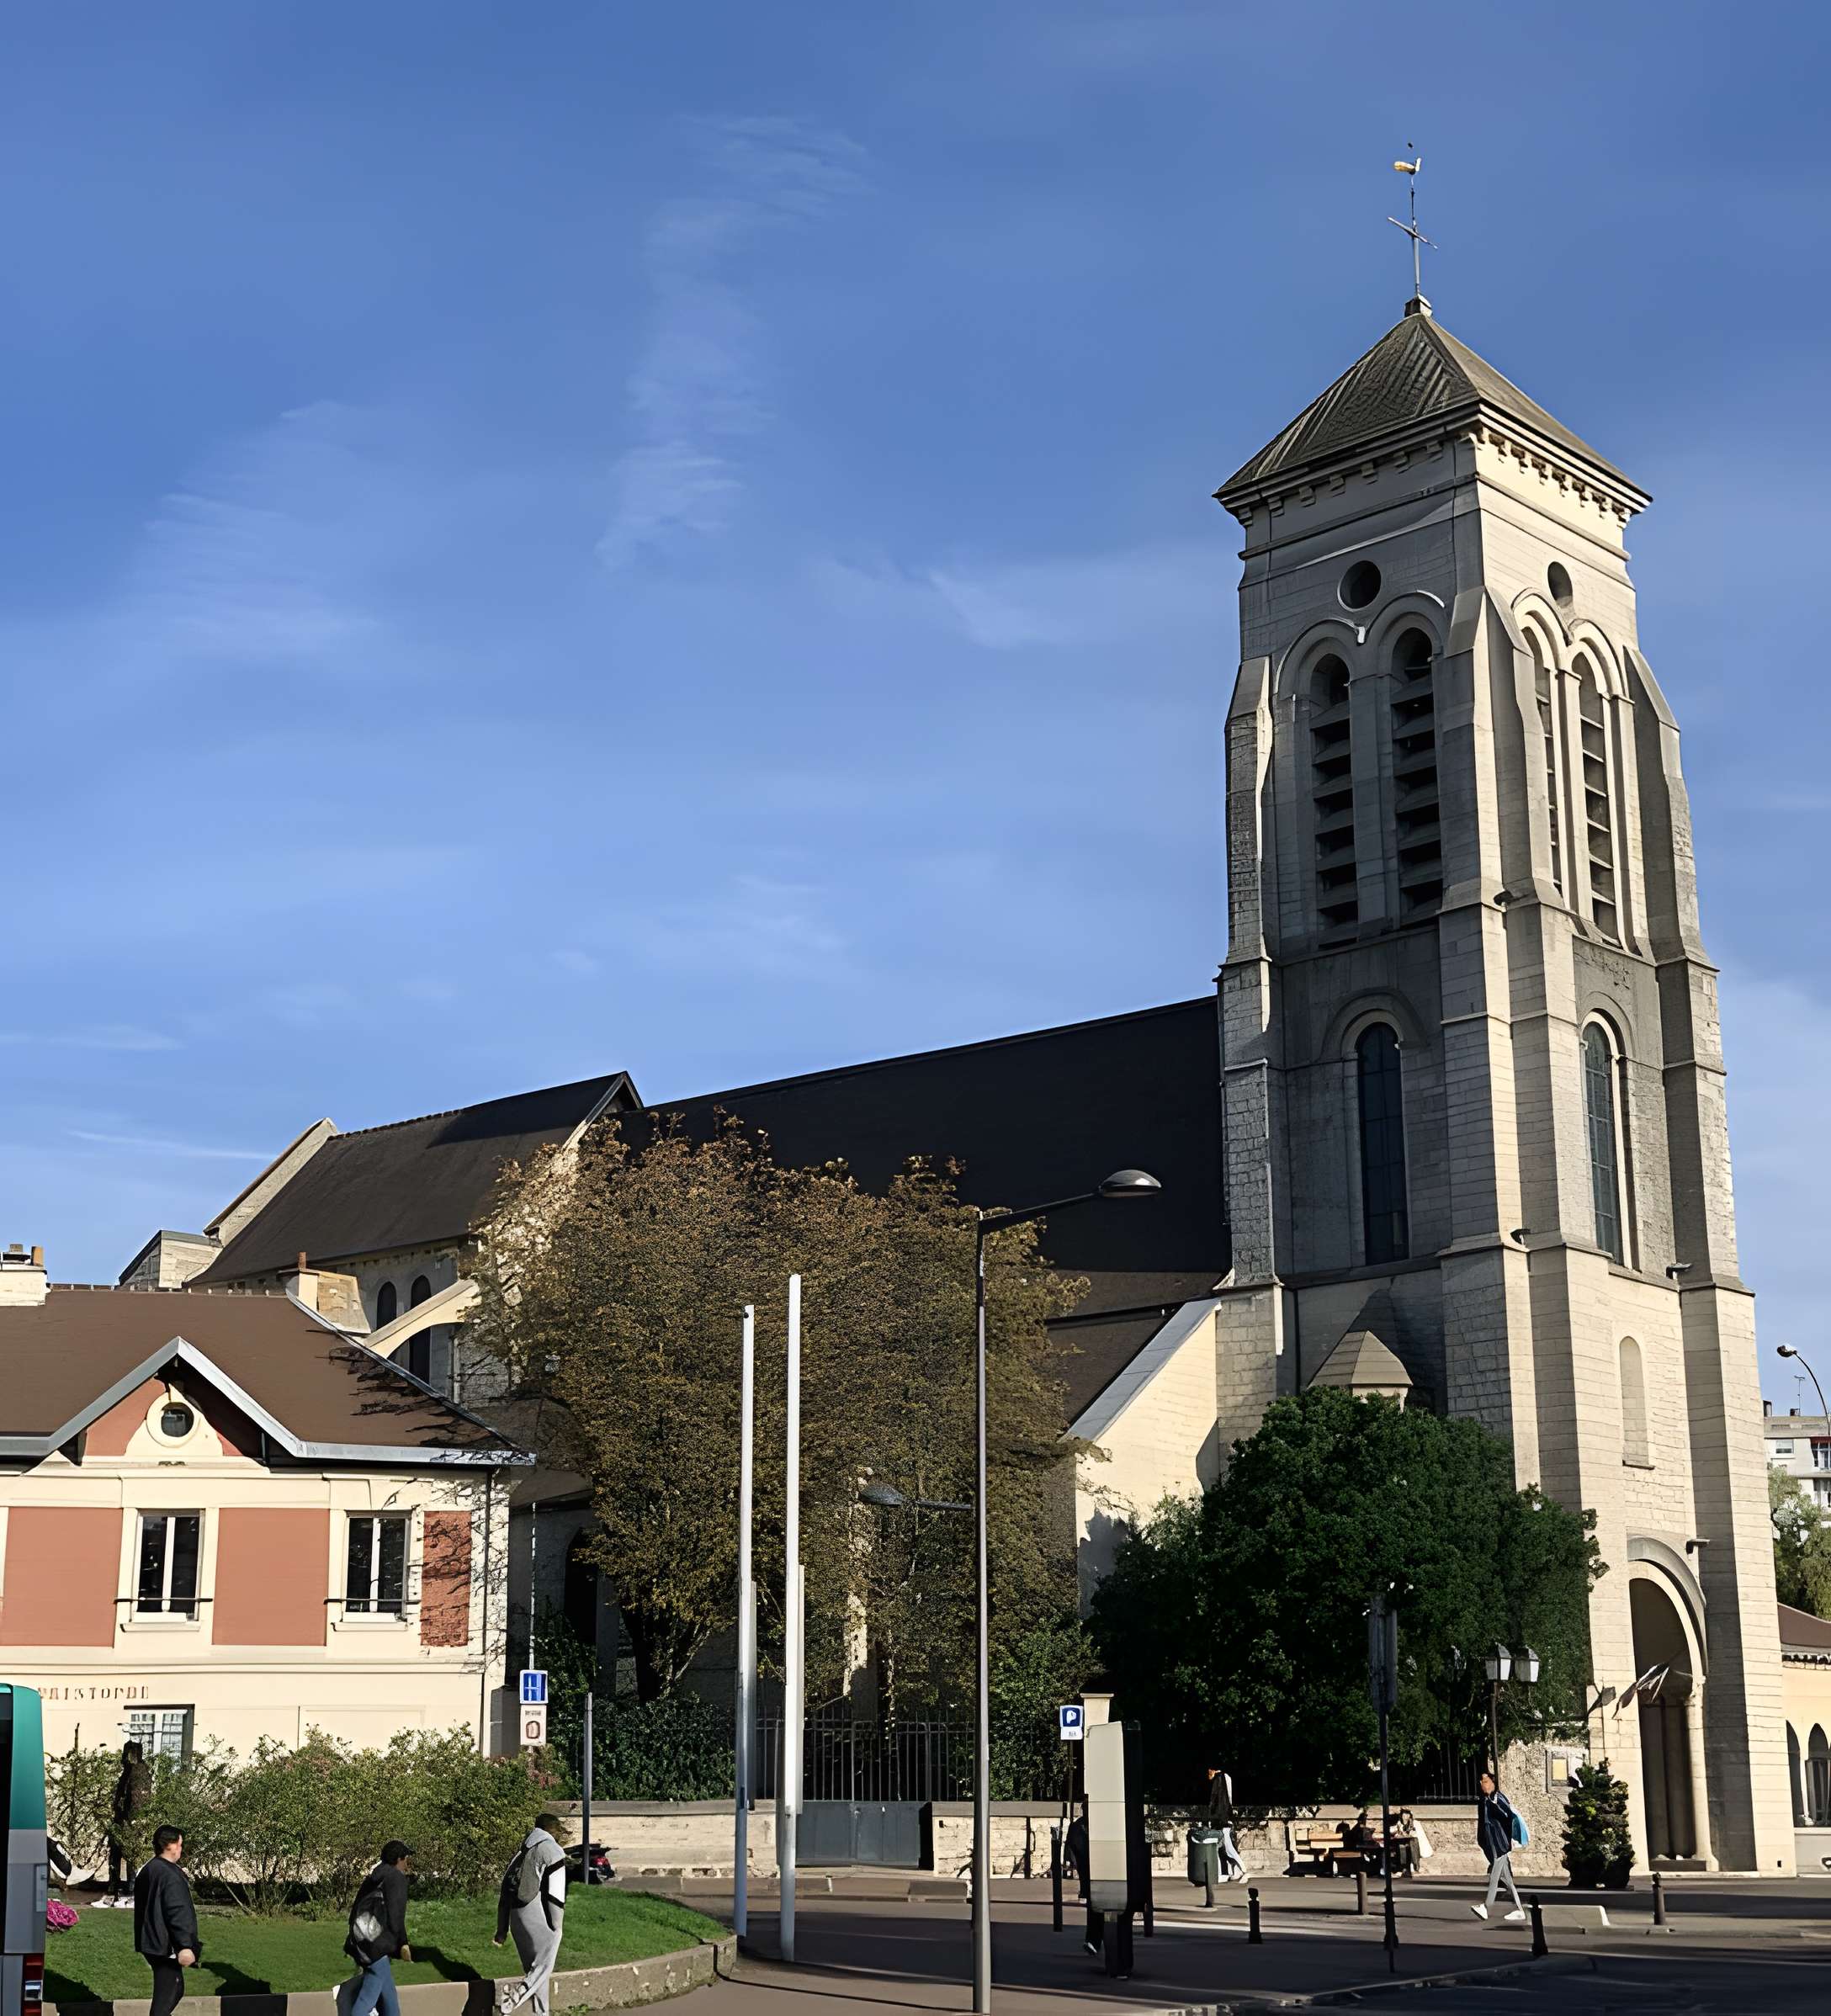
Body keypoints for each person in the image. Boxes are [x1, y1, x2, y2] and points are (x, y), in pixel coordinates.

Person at [494, 1813, 568, 2016]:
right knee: (543, 1967)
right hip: (536, 1912)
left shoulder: (521, 1851)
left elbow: (504, 1890)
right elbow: (555, 1894)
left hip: (515, 1916)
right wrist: (557, 1926)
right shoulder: (552, 1850)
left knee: (537, 1972)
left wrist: (502, 1929)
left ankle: (542, 2013)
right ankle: (516, 1996)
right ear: (553, 1829)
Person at [132, 1826, 199, 2016]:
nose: (181, 1849)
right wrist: (185, 1945)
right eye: (180, 1844)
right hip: (165, 1945)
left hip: (150, 1942)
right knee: (169, 1994)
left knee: (175, 1989)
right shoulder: (170, 1875)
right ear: (170, 1846)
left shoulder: (149, 1869)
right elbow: (177, 1910)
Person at [344, 1839, 414, 2016]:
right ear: (399, 1859)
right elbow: (396, 1915)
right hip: (377, 1944)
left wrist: (353, 1939)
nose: (407, 1864)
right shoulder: (396, 1877)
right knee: (366, 1999)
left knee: (389, 1995)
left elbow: (355, 1910)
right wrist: (402, 1944)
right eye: (406, 1859)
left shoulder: (374, 1877)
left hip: (362, 1939)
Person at [1472, 1771, 1526, 1922]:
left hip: (1500, 1843)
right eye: (1482, 1782)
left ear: (1493, 1783)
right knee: (1507, 1879)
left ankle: (1486, 1907)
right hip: (1492, 1843)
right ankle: (1519, 1909)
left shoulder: (1498, 1799)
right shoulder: (1485, 1800)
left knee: (1495, 1876)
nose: (1484, 1785)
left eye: (1486, 1781)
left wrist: (1507, 1841)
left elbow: (1508, 1817)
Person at [105, 1740, 151, 1907]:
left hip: (130, 1820)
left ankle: (130, 1888)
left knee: (130, 1853)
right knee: (116, 1853)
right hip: (122, 1819)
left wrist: (136, 1819)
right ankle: (115, 1886)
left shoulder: (139, 1771)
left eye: (126, 1754)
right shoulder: (129, 1771)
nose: (124, 1758)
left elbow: (139, 1797)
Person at [1205, 1767, 1245, 1881]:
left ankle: (1241, 1868)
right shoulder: (1225, 1777)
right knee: (1225, 1848)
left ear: (1212, 1770)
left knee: (1227, 1847)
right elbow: (1228, 1800)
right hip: (1224, 1818)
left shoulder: (1219, 1780)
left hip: (1221, 1819)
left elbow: (1218, 1801)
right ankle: (1234, 1870)